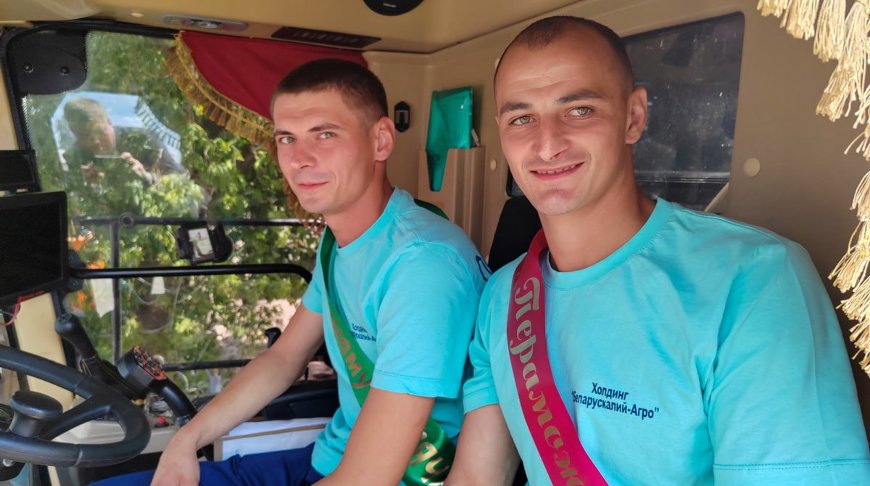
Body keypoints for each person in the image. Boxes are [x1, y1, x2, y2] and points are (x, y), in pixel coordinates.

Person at [446, 16, 870, 485]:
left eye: (580, 110)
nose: (546, 145)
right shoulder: (504, 297)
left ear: (634, 117)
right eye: (521, 118)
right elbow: (476, 475)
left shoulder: (755, 280)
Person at [94, 59, 487, 486]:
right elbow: (285, 357)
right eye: (287, 138)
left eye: (325, 134)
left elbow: (369, 477)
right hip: (330, 458)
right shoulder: (341, 241)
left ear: (380, 141)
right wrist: (186, 440)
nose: (299, 159)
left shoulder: (423, 265)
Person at [62, 97, 184, 186]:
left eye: (99, 131)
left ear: (109, 122)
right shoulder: (75, 156)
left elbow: (180, 180)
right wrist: (82, 184)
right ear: (75, 135)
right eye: (84, 136)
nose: (95, 142)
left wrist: (147, 177)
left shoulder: (142, 139)